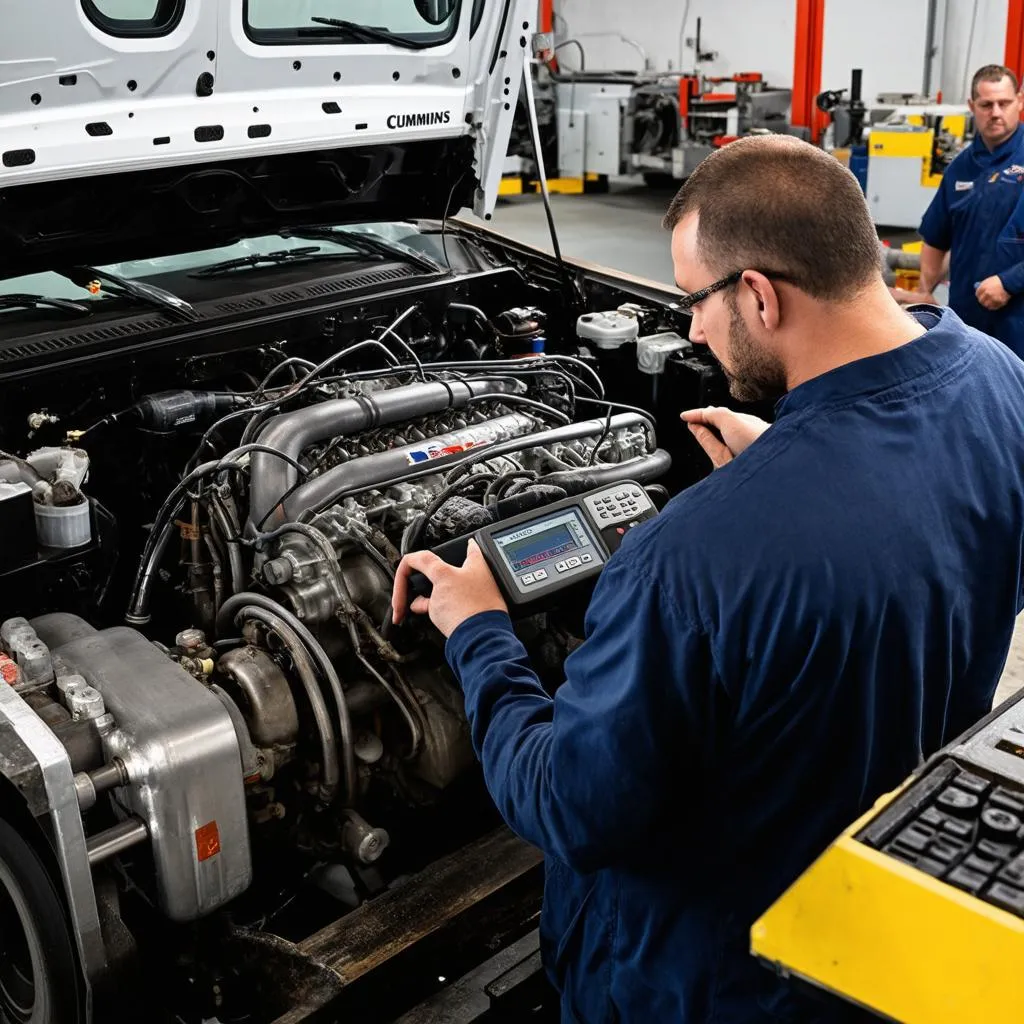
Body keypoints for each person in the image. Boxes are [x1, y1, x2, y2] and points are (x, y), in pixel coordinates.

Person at [392, 136, 1024, 1022]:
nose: (688, 326)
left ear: (760, 295)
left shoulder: (692, 560)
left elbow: (571, 807)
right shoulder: (1002, 385)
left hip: (703, 977)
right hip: (864, 905)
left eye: (696, 297)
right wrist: (807, 467)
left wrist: (478, 631)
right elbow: (936, 542)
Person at [915, 64, 1024, 357]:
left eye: (1005, 103)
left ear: (1020, 101)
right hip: (967, 324)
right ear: (971, 106)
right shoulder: (960, 168)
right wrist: (925, 292)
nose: (996, 112)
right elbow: (935, 240)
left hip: (1018, 325)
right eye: (987, 105)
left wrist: (1009, 282)